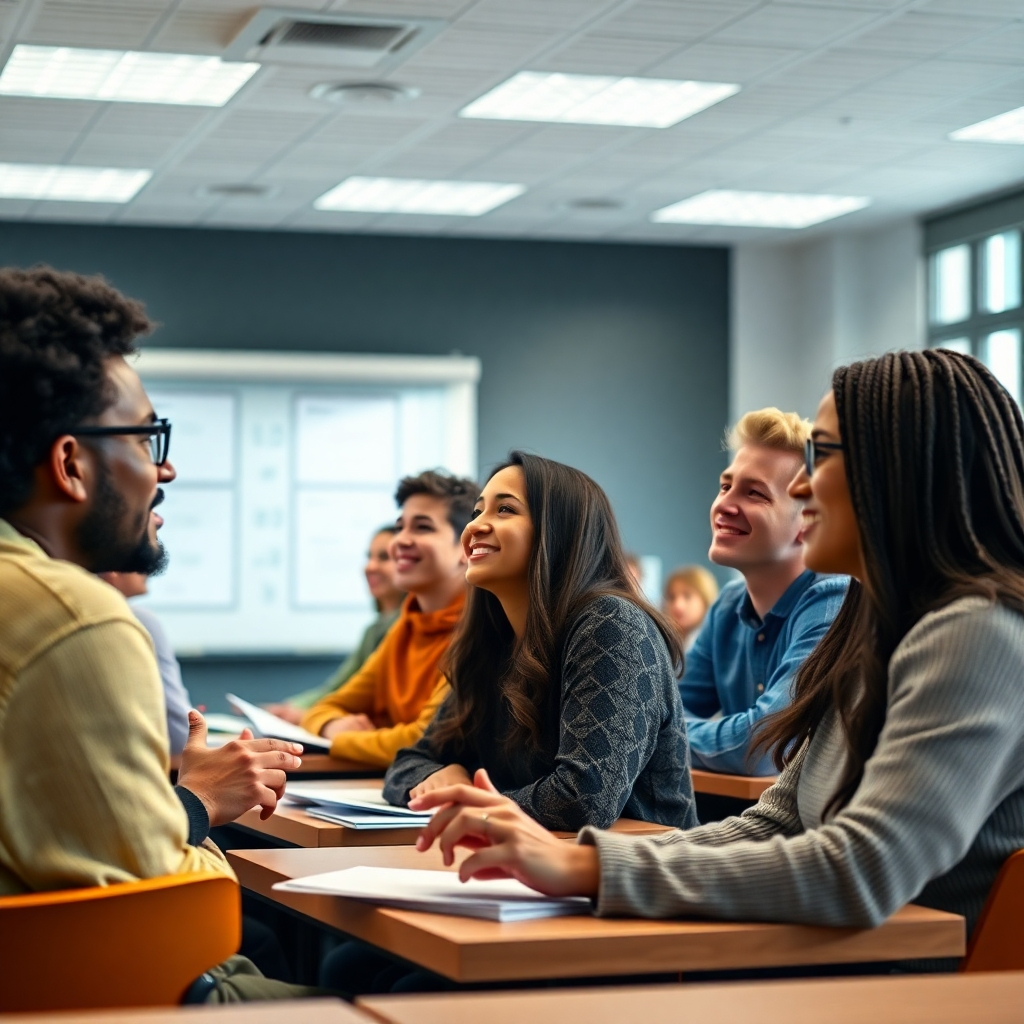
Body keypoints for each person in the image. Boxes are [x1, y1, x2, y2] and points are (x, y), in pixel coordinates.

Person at [410, 350, 1024, 961]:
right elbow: (775, 823)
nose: (804, 484)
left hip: (899, 988)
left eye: (823, 456)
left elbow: (860, 869)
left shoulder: (977, 633)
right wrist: (584, 859)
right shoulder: (872, 632)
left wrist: (589, 871)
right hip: (825, 964)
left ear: (903, 470)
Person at [0, 266, 320, 1000]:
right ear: (72, 463)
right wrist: (195, 814)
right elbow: (173, 912)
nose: (165, 467)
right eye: (146, 438)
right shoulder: (74, 618)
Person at [384, 451, 696, 833]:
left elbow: (583, 801)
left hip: (631, 882)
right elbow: (407, 763)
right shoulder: (495, 642)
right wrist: (443, 776)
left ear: (558, 530)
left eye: (504, 510)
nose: (476, 526)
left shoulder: (612, 624)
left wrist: (467, 799)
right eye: (477, 512)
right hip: (528, 869)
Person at [680, 407, 848, 775]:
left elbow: (762, 746)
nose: (724, 504)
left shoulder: (833, 601)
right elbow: (663, 711)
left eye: (755, 493)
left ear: (808, 521)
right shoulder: (727, 606)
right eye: (725, 486)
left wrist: (666, 736)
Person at [300, 471, 475, 766]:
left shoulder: (478, 631)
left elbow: (422, 740)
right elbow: (324, 707)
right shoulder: (406, 627)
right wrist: (331, 725)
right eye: (399, 528)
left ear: (465, 547)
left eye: (422, 528)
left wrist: (340, 738)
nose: (401, 541)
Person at [264, 525, 404, 725]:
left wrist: (308, 715)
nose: (370, 567)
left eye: (384, 557)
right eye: (369, 557)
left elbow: (368, 701)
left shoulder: (408, 628)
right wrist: (293, 707)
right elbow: (339, 686)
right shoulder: (374, 631)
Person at [99, 570, 191, 756]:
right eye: (138, 553)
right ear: (112, 570)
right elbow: (180, 739)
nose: (148, 568)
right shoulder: (137, 620)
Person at [663, 564, 718, 652]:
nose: (678, 605)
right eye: (671, 597)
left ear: (705, 600)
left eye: (687, 596)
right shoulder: (664, 642)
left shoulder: (716, 643)